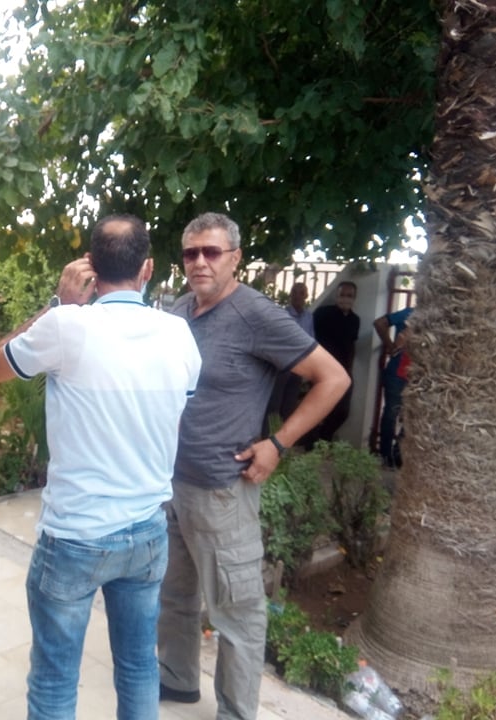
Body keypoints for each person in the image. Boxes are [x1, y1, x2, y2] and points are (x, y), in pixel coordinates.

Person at [0, 214, 202, 720]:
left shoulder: (66, 325)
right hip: (147, 531)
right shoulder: (179, 334)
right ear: (148, 269)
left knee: (55, 679)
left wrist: (57, 304)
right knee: (139, 665)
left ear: (89, 267)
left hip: (76, 536)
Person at [157, 212, 349, 720]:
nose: (200, 261)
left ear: (235, 258)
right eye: (191, 253)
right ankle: (177, 678)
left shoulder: (256, 315)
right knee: (174, 595)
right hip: (171, 484)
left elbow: (333, 378)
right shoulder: (179, 311)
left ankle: (236, 712)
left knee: (236, 612)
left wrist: (278, 443)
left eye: (211, 252)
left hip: (223, 490)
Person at [312, 280, 361, 442]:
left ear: (354, 298)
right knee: (319, 408)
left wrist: (350, 370)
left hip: (344, 370)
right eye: (342, 295)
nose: (345, 298)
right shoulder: (322, 314)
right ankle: (314, 443)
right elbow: (311, 339)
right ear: (336, 296)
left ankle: (324, 438)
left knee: (342, 411)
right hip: (323, 369)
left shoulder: (355, 320)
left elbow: (352, 344)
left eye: (349, 295)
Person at [266, 281, 315, 424]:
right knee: (275, 403)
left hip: (300, 365)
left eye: (301, 293)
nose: (298, 296)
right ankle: (270, 432)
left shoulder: (308, 317)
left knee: (290, 404)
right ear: (290, 295)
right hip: (282, 364)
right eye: (295, 292)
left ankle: (284, 434)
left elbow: (311, 339)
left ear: (306, 296)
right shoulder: (282, 314)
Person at [374, 306, 414, 468]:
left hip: (416, 375)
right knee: (392, 413)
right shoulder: (409, 313)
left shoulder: (433, 318)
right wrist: (390, 346)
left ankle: (396, 454)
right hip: (398, 373)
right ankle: (386, 454)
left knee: (410, 416)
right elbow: (379, 323)